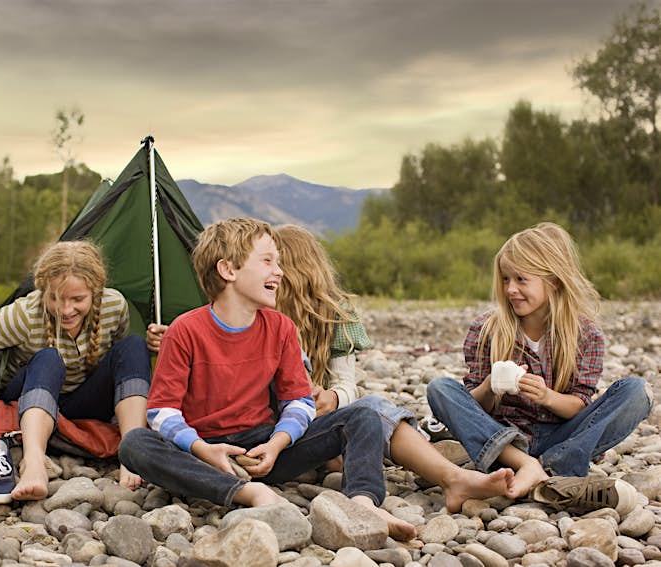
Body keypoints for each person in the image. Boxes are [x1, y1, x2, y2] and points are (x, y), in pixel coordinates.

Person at [125, 218, 513, 542]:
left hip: (265, 446)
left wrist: (277, 444)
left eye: (278, 262)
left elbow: (298, 401)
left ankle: (362, 504)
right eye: (267, 261)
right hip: (207, 453)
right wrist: (202, 449)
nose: (279, 271)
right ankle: (247, 494)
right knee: (135, 444)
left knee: (361, 415)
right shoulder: (185, 330)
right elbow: (161, 410)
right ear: (228, 270)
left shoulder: (280, 328)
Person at [427, 222, 654, 500]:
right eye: (506, 279)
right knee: (439, 389)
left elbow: (579, 404)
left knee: (637, 391)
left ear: (554, 281)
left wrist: (547, 396)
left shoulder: (585, 335)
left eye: (521, 280)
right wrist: (489, 386)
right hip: (504, 437)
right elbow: (473, 407)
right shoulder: (486, 328)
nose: (511, 289)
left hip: (561, 435)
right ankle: (527, 466)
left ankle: (557, 464)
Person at [0, 240, 150, 502]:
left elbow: (120, 362)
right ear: (43, 290)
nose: (66, 310)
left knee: (135, 345)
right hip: (28, 398)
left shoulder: (114, 306)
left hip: (80, 403)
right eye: (56, 298)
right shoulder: (24, 314)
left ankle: (131, 453)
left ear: (96, 291)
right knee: (48, 357)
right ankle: (33, 462)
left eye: (78, 299)